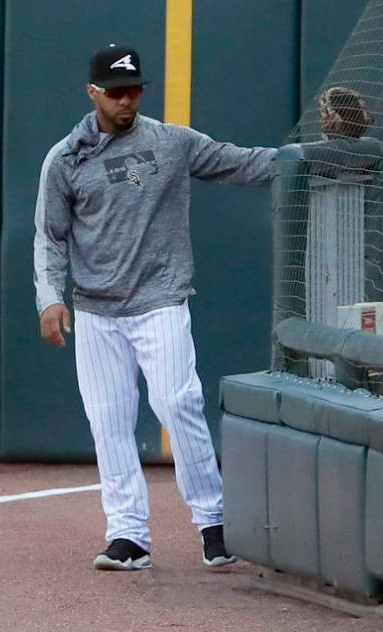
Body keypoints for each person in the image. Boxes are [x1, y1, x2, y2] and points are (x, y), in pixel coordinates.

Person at [33, 43, 278, 571]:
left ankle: (214, 525)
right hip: (97, 309)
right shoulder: (65, 158)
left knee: (178, 404)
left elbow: (244, 163)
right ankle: (128, 536)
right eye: (117, 91)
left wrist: (315, 159)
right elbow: (50, 237)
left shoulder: (172, 142)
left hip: (160, 299)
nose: (128, 100)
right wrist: (50, 298)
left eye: (136, 90)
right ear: (93, 92)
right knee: (108, 420)